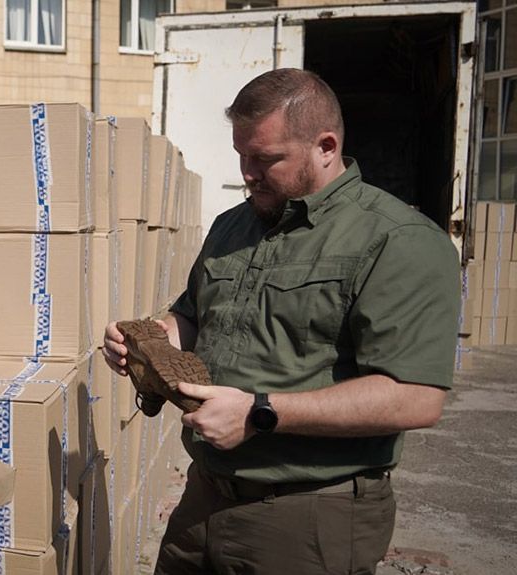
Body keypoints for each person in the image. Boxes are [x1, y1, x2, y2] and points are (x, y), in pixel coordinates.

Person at [103, 68, 460, 574]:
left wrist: (261, 412)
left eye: (265, 159)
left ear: (326, 146)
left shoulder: (398, 241)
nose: (247, 172)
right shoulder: (233, 225)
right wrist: (150, 341)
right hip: (203, 497)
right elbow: (193, 315)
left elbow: (416, 396)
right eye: (241, 155)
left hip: (307, 514)